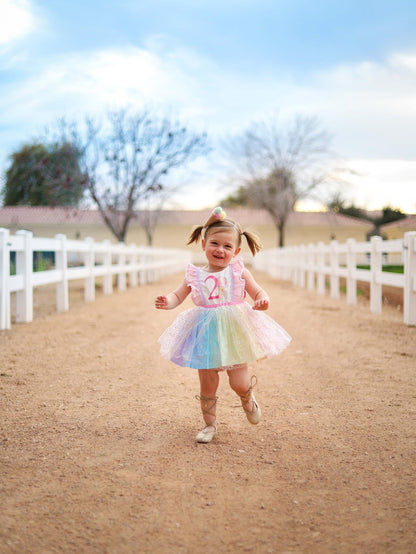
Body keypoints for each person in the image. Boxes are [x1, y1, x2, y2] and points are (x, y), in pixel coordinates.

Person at [155, 207, 291, 443]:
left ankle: (247, 398)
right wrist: (167, 301)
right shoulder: (194, 275)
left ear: (237, 251)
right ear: (204, 244)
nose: (220, 250)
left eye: (227, 246)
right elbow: (178, 296)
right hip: (205, 333)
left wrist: (262, 299)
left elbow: (257, 290)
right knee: (208, 384)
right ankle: (209, 426)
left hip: (234, 332)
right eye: (214, 243)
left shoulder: (239, 271)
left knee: (238, 382)